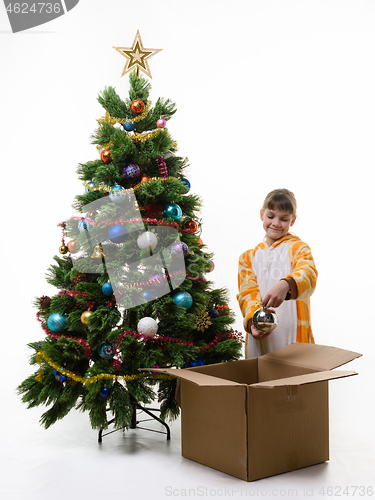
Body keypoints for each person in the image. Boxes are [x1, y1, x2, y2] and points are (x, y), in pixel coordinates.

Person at [237, 188, 318, 357]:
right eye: (271, 216)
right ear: (262, 215)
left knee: (294, 377)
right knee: (261, 378)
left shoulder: (298, 248)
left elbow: (308, 274)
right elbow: (247, 293)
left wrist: (286, 284)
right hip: (261, 336)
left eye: (284, 219)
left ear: (293, 220)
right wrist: (253, 324)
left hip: (291, 335)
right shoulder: (248, 257)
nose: (275, 223)